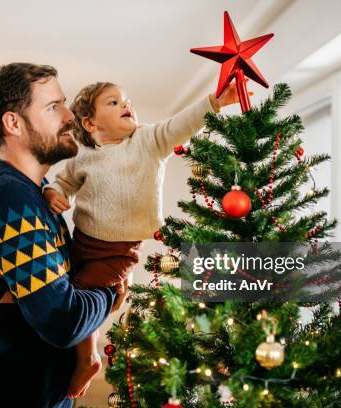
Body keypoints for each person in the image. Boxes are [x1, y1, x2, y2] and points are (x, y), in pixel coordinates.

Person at [43, 81, 243, 397]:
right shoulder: (84, 157)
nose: (127, 105)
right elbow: (63, 181)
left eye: (127, 100)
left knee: (80, 295)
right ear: (90, 123)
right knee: (77, 283)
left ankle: (88, 358)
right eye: (113, 102)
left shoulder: (146, 140)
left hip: (120, 249)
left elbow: (181, 124)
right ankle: (117, 291)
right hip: (83, 242)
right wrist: (53, 192)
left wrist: (214, 102)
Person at [0, 63, 126, 408]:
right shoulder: (7, 197)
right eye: (53, 107)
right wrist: (111, 285)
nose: (70, 115)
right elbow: (63, 320)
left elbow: (68, 284)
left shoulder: (36, 191)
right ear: (13, 123)